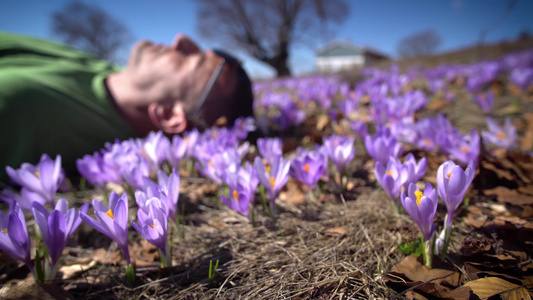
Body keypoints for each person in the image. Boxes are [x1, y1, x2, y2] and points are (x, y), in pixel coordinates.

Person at [0, 32, 254, 180]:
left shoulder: (20, 109)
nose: (181, 39)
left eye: (191, 60)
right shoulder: (98, 65)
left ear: (169, 116)